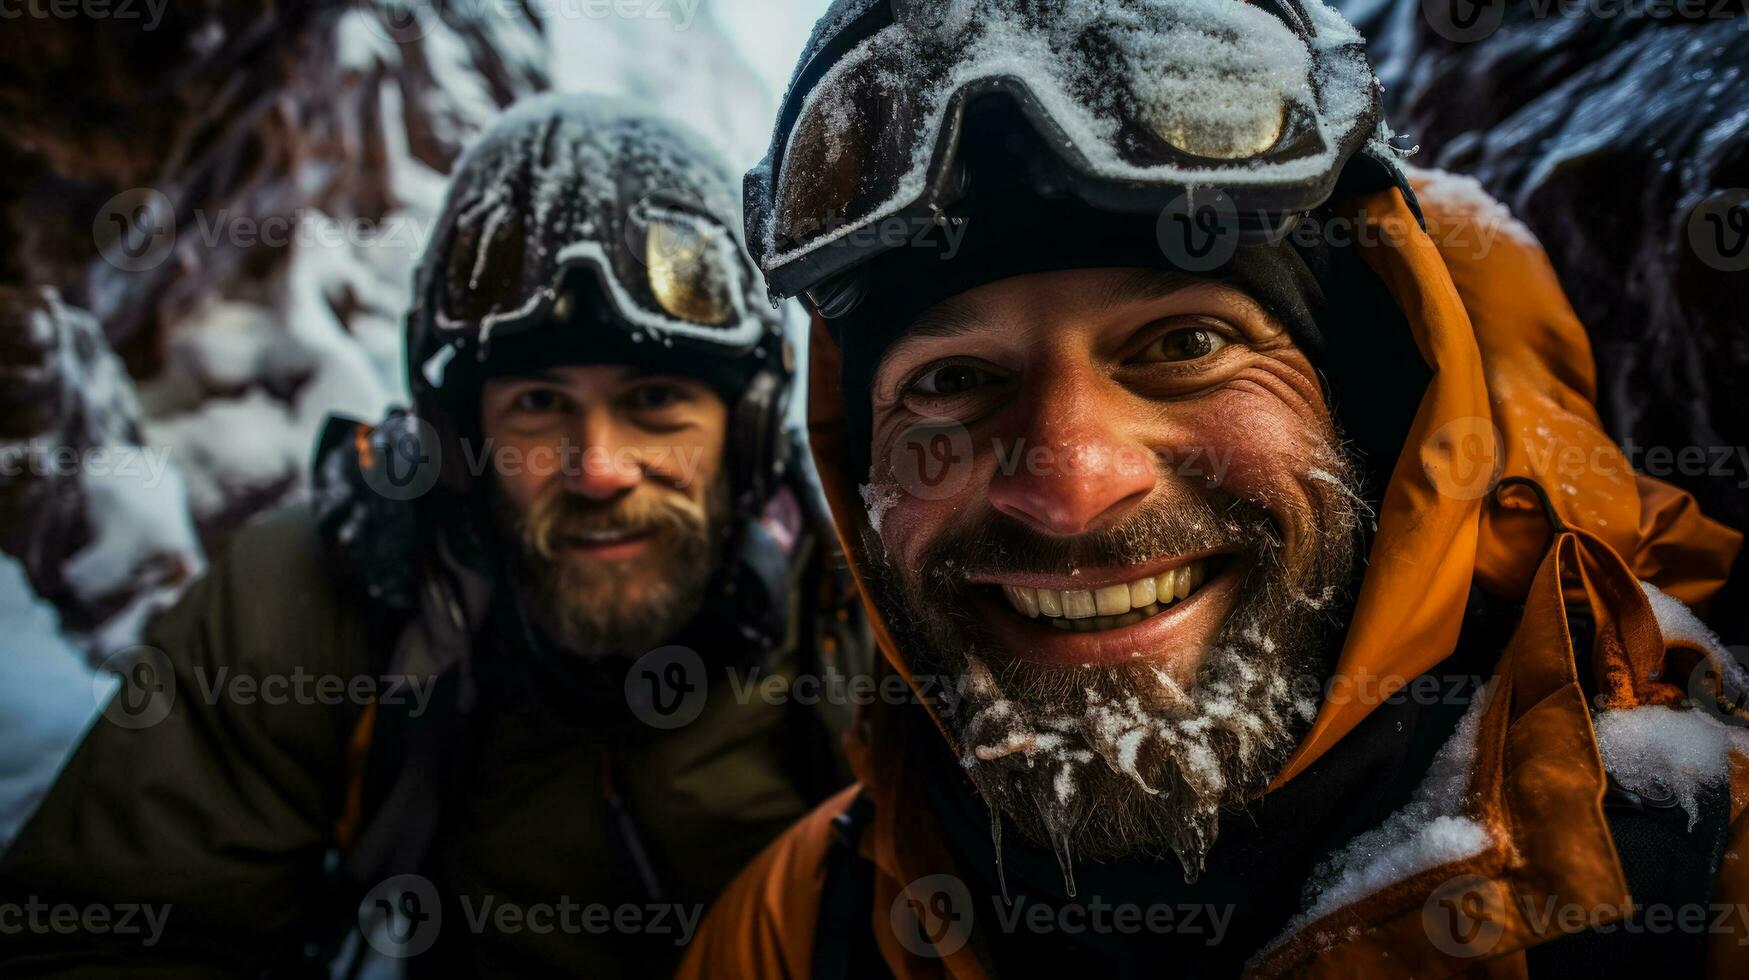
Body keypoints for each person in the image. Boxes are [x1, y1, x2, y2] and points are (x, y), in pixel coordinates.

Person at [680, 1, 1747, 976]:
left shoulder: (1705, 865)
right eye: (953, 382)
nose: (1070, 486)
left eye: (1185, 342)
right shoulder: (790, 928)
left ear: (1370, 404)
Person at [0, 94, 865, 978]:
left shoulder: (874, 609)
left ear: (750, 427)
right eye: (538, 406)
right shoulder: (331, 590)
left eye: (653, 402)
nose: (597, 468)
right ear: (460, 444)